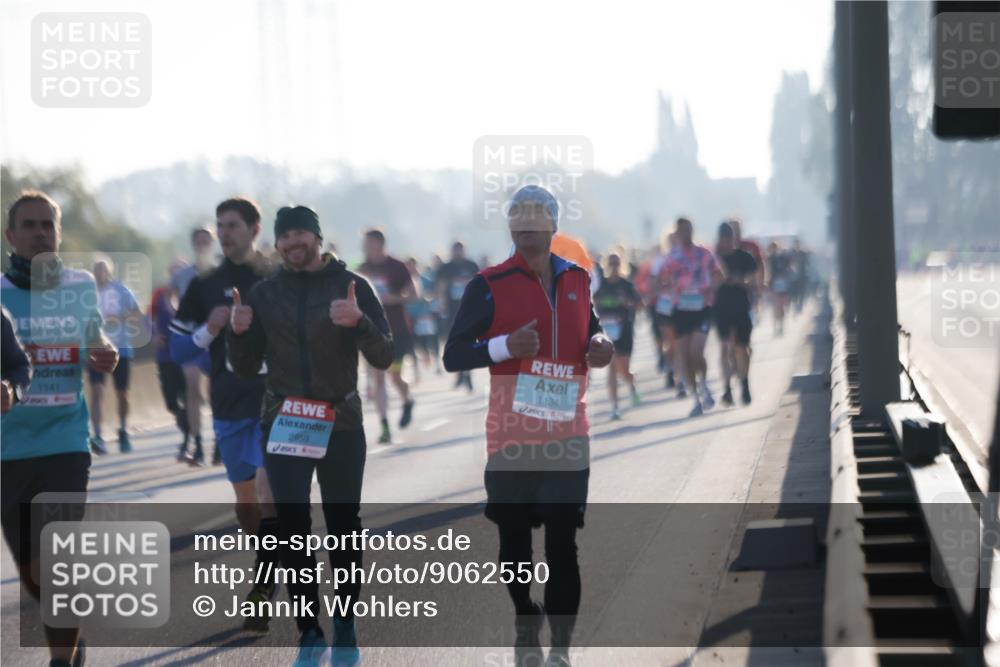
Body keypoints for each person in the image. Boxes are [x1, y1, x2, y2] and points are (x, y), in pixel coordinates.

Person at [444, 184, 613, 667]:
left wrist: (602, 344)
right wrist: (502, 347)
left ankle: (560, 649)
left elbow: (592, 329)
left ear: (554, 224)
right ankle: (525, 614)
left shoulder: (578, 279)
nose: (527, 223)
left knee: (563, 542)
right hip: (511, 437)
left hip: (568, 434)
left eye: (537, 215)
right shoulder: (488, 283)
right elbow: (453, 354)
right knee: (514, 546)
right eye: (518, 215)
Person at [228, 205, 393, 667]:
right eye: (286, 236)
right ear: (277, 243)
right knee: (293, 530)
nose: (294, 242)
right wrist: (238, 334)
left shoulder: (353, 286)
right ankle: (308, 631)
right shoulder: (264, 293)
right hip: (285, 423)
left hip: (341, 422)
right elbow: (243, 367)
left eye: (302, 233)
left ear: (317, 239)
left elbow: (385, 355)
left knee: (343, 527)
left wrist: (357, 321)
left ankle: (344, 624)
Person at [1, 190, 119, 667]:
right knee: (33, 572)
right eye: (28, 225)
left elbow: (96, 338)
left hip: (66, 441)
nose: (38, 233)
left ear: (58, 233)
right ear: (11, 236)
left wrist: (104, 352)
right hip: (8, 448)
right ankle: (70, 638)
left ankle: (60, 660)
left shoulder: (80, 285)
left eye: (47, 225)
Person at [169, 197, 282, 630]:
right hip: (230, 404)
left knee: (272, 494)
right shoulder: (203, 286)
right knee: (247, 500)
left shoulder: (278, 277)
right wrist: (210, 328)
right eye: (220, 225)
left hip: (277, 402)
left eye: (233, 225)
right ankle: (271, 555)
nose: (225, 232)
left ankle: (262, 584)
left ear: (254, 230)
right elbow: (179, 349)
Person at [659, 217, 722, 417]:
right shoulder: (672, 257)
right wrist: (666, 288)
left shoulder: (704, 254)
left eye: (688, 230)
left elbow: (718, 274)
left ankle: (704, 383)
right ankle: (696, 398)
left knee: (697, 351)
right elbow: (662, 280)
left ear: (692, 231)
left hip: (702, 308)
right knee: (684, 356)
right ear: (677, 234)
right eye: (682, 231)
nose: (685, 234)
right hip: (681, 310)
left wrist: (710, 288)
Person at [358, 228, 417, 443]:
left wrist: (395, 298)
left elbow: (414, 293)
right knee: (379, 379)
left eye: (367, 243)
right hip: (373, 333)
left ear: (379, 244)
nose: (364, 247)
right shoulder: (362, 269)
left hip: (397, 331)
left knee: (394, 376)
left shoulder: (397, 266)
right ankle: (384, 426)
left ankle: (407, 399)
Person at [88, 257, 144, 454]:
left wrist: (117, 318)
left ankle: (123, 429)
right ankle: (97, 435)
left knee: (122, 393)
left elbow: (137, 312)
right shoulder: (87, 292)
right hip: (96, 349)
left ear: (110, 272)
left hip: (121, 348)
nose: (100, 273)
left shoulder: (121, 290)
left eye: (103, 269)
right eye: (97, 269)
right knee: (96, 391)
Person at [175, 226, 217, 463]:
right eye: (198, 242)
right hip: (192, 338)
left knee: (215, 392)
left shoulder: (221, 272)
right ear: (193, 245)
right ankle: (198, 442)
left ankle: (219, 439)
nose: (202, 246)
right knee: (192, 387)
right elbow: (172, 297)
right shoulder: (183, 275)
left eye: (206, 242)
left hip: (216, 338)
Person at [593, 250, 642, 420]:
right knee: (612, 368)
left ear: (621, 265)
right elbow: (592, 303)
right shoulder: (601, 286)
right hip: (607, 331)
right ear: (606, 265)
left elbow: (639, 304)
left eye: (616, 263)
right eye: (611, 263)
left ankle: (632, 385)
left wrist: (627, 303)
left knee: (623, 369)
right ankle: (615, 406)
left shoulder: (626, 285)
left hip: (624, 331)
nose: (613, 267)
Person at [713, 222, 757, 406]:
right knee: (725, 348)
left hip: (741, 307)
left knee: (741, 348)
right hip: (721, 308)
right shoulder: (714, 259)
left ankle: (744, 383)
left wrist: (740, 281)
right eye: (723, 239)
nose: (726, 242)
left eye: (729, 238)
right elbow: (709, 283)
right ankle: (726, 389)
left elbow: (754, 281)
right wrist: (720, 279)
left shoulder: (745, 257)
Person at [150, 260, 189, 455]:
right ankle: (185, 425)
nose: (176, 276)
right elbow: (149, 318)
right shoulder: (159, 293)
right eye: (174, 271)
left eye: (180, 271)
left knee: (188, 396)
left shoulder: (192, 291)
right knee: (171, 402)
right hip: (165, 355)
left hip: (186, 354)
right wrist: (154, 335)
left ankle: (189, 438)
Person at [435, 241, 479, 391]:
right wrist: (441, 305)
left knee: (469, 341)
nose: (458, 253)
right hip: (451, 311)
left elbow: (479, 285)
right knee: (453, 342)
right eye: (455, 250)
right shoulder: (446, 267)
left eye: (460, 250)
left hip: (469, 309)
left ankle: (468, 376)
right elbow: (440, 287)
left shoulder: (471, 265)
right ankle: (460, 374)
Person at [405, 257, 440, 378]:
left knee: (427, 341)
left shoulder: (425, 280)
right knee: (413, 343)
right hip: (409, 316)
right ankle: (417, 371)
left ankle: (432, 360)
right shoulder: (404, 280)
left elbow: (433, 294)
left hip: (423, 316)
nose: (410, 268)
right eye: (407, 266)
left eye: (411, 265)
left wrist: (427, 297)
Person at [767, 241, 792, 336]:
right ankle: (775, 327)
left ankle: (781, 325)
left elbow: (789, 268)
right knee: (775, 307)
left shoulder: (783, 257)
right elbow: (768, 273)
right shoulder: (769, 259)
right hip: (774, 286)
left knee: (781, 307)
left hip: (783, 285)